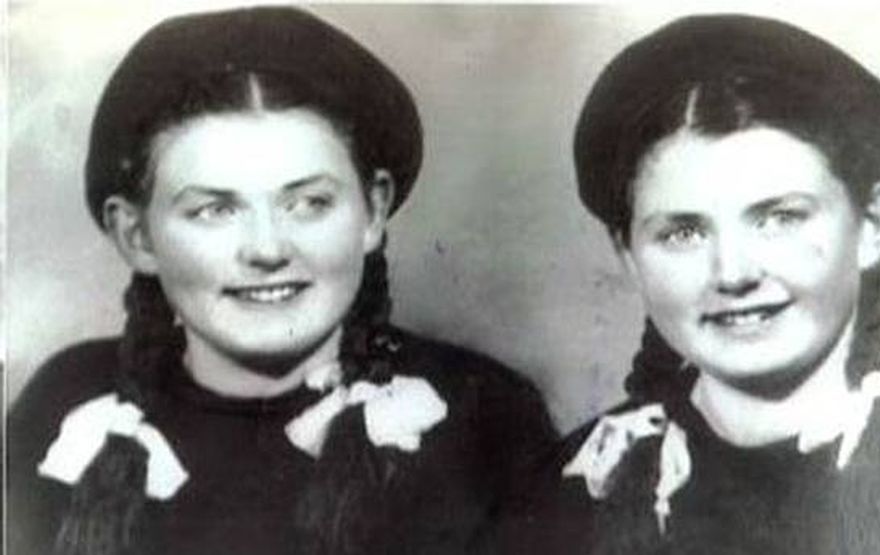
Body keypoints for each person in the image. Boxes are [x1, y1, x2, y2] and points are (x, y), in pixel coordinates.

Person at [7, 7, 556, 555]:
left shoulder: (485, 420)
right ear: (137, 236)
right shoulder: (64, 407)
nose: (268, 250)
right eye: (214, 210)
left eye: (309, 203)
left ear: (372, 210)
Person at [512, 14, 880, 555]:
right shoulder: (571, 496)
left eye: (779, 218)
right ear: (627, 254)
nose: (733, 274)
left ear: (871, 226)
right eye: (683, 233)